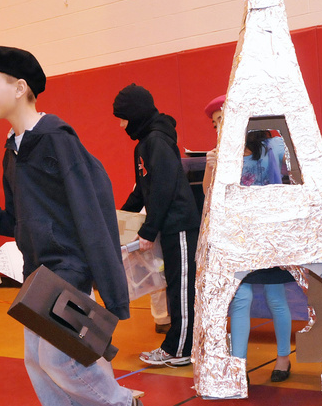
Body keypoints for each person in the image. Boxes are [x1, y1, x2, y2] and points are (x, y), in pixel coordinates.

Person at [0, 46, 142, 406]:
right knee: (37, 360)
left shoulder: (56, 142)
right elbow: (16, 219)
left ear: (20, 87)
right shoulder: (14, 150)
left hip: (68, 267)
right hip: (38, 271)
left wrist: (111, 288)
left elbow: (92, 211)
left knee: (57, 356)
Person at [114, 84, 200, 366]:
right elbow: (143, 189)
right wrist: (119, 217)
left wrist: (148, 230)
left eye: (123, 117)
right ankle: (180, 344)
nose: (121, 124)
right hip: (168, 226)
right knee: (174, 285)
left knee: (182, 288)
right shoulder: (144, 144)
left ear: (136, 114)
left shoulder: (157, 141)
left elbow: (164, 186)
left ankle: (181, 349)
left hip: (180, 225)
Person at [203, 123, 294, 382]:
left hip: (269, 234)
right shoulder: (221, 152)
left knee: (275, 296)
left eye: (222, 119)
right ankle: (238, 365)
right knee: (240, 297)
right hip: (239, 236)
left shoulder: (272, 146)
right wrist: (211, 166)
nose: (220, 125)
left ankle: (283, 358)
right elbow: (208, 194)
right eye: (215, 122)